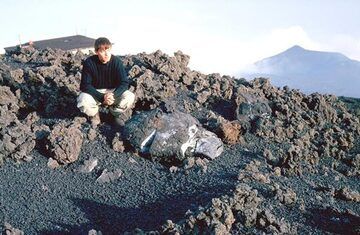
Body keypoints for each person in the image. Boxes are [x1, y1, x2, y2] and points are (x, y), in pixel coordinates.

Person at [77, 37, 135, 127]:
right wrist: (102, 97)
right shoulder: (89, 62)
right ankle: (94, 115)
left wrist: (113, 95)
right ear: (96, 52)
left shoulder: (116, 62)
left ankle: (113, 115)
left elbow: (124, 83)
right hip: (96, 92)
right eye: (102, 51)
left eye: (108, 50)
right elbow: (85, 85)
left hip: (113, 92)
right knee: (83, 100)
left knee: (129, 97)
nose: (106, 54)